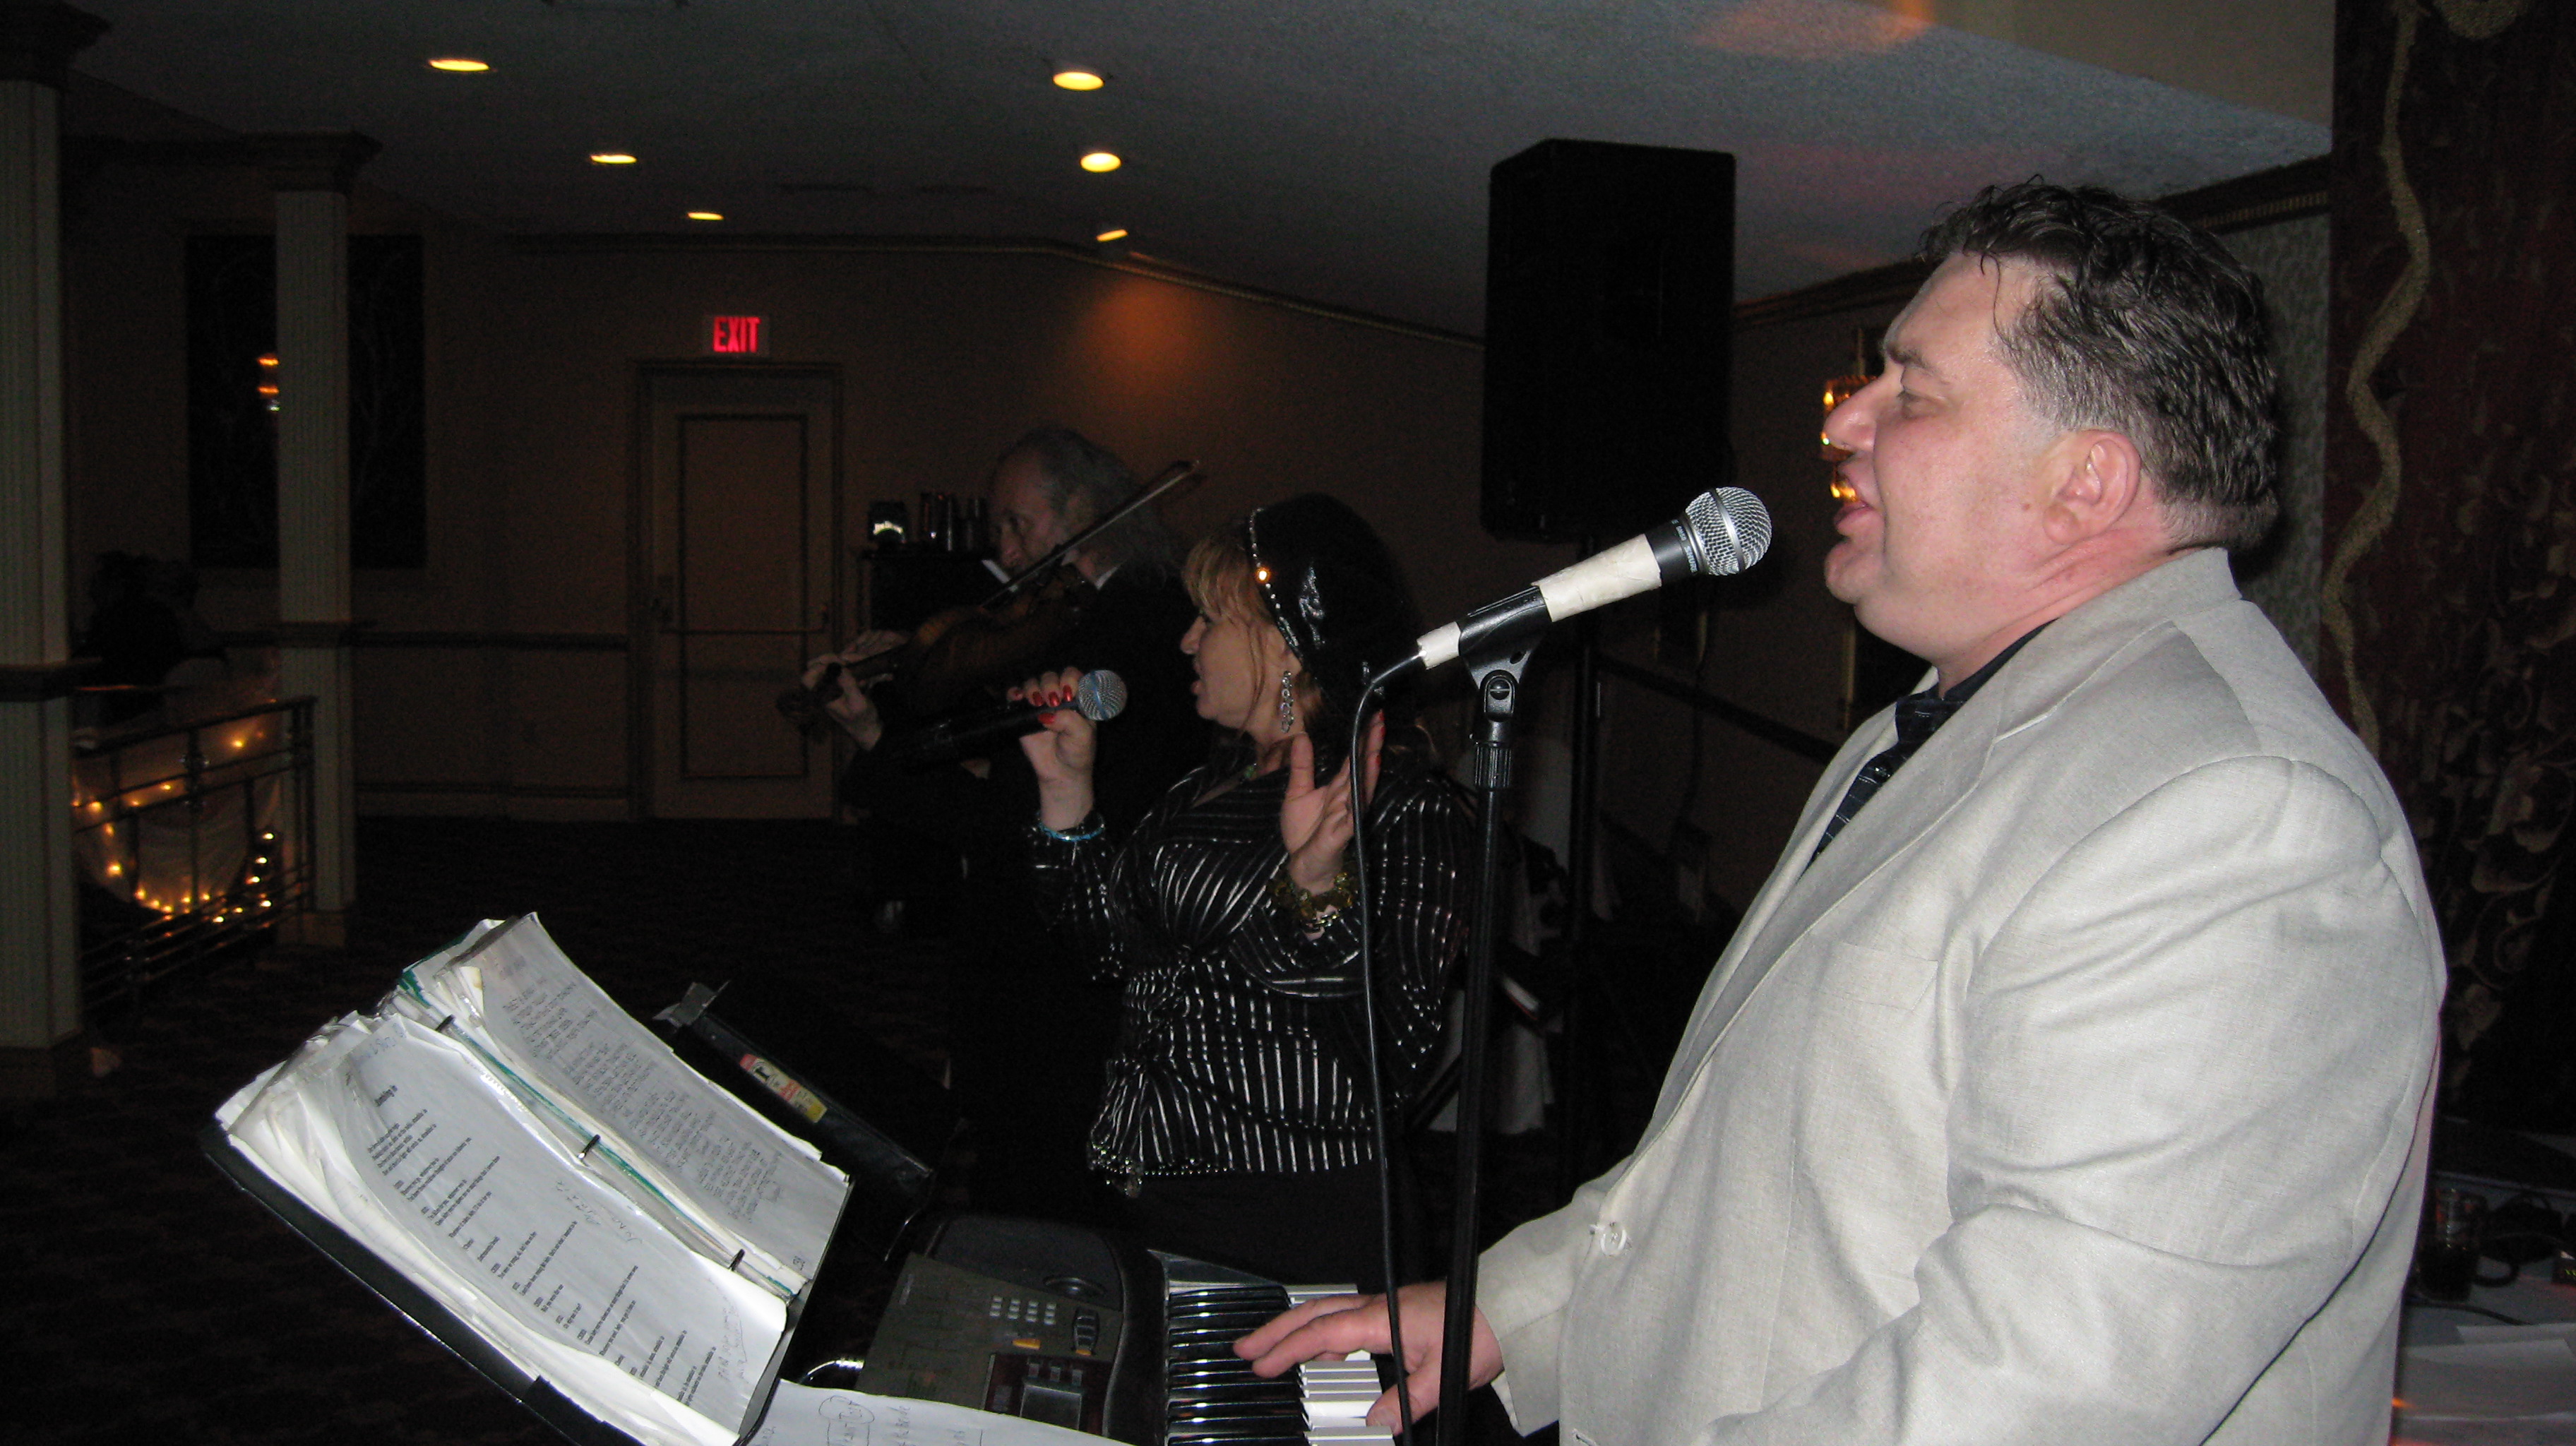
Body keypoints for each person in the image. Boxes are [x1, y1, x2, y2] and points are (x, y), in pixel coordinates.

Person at [1241, 181, 2445, 1445]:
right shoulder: (1925, 723)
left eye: (1911, 392)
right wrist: (1513, 1306)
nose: (1843, 421)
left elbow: (2034, 1393)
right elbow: (1750, 1151)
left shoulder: (2240, 817)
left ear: (2085, 483)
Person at [1015, 494, 1474, 1287]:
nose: (1187, 639)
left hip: (1291, 1212)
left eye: (1208, 620)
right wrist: (1066, 796)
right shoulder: (1205, 784)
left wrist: (1312, 887)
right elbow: (1109, 953)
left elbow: (1392, 1050)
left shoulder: (1402, 807)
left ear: (1286, 645)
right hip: (1156, 1188)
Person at [805, 427, 1205, 1224]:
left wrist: (879, 742)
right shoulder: (1088, 617)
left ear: (1084, 510)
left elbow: (1009, 824)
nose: (1007, 552)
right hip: (1050, 960)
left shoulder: (1129, 634)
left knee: (1038, 1195)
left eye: (1019, 524)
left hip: (1057, 975)